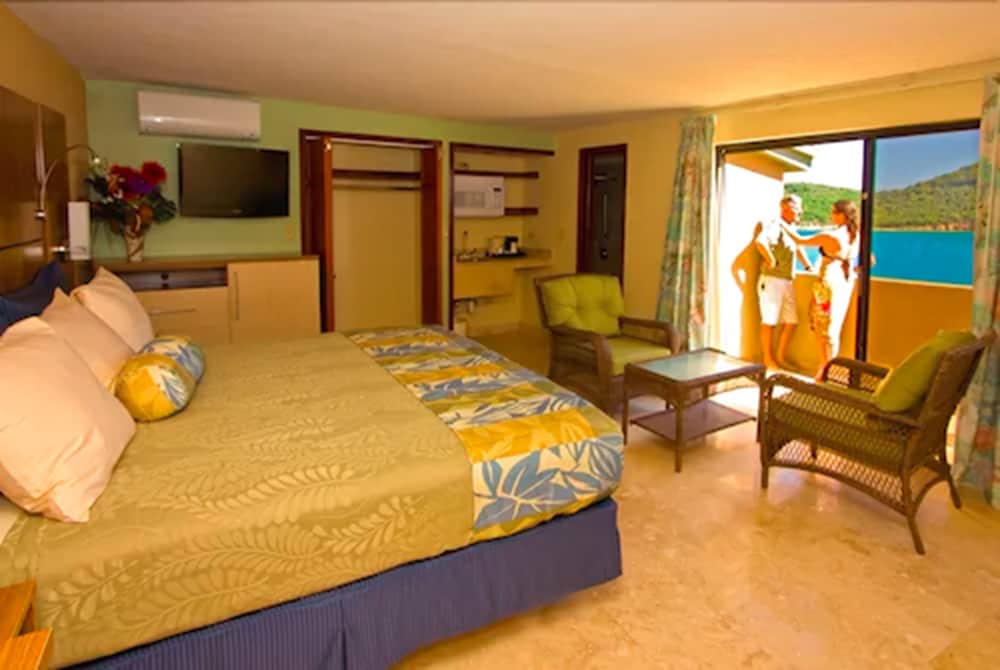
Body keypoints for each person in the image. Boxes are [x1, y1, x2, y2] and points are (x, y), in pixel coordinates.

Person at [779, 199, 861, 380]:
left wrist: (781, 223)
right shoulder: (856, 236)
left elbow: (799, 240)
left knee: (821, 325)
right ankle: (828, 368)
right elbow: (869, 260)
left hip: (828, 282)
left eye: (833, 212)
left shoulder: (831, 236)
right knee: (834, 327)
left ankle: (823, 369)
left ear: (842, 215)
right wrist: (854, 270)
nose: (831, 216)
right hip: (845, 281)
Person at [754, 194, 814, 369]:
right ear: (787, 209)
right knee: (769, 321)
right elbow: (760, 242)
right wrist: (771, 259)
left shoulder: (790, 228)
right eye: (798, 208)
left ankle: (780, 357)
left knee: (792, 321)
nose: (801, 212)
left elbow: (798, 248)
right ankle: (768, 360)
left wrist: (809, 267)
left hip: (787, 280)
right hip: (772, 280)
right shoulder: (776, 225)